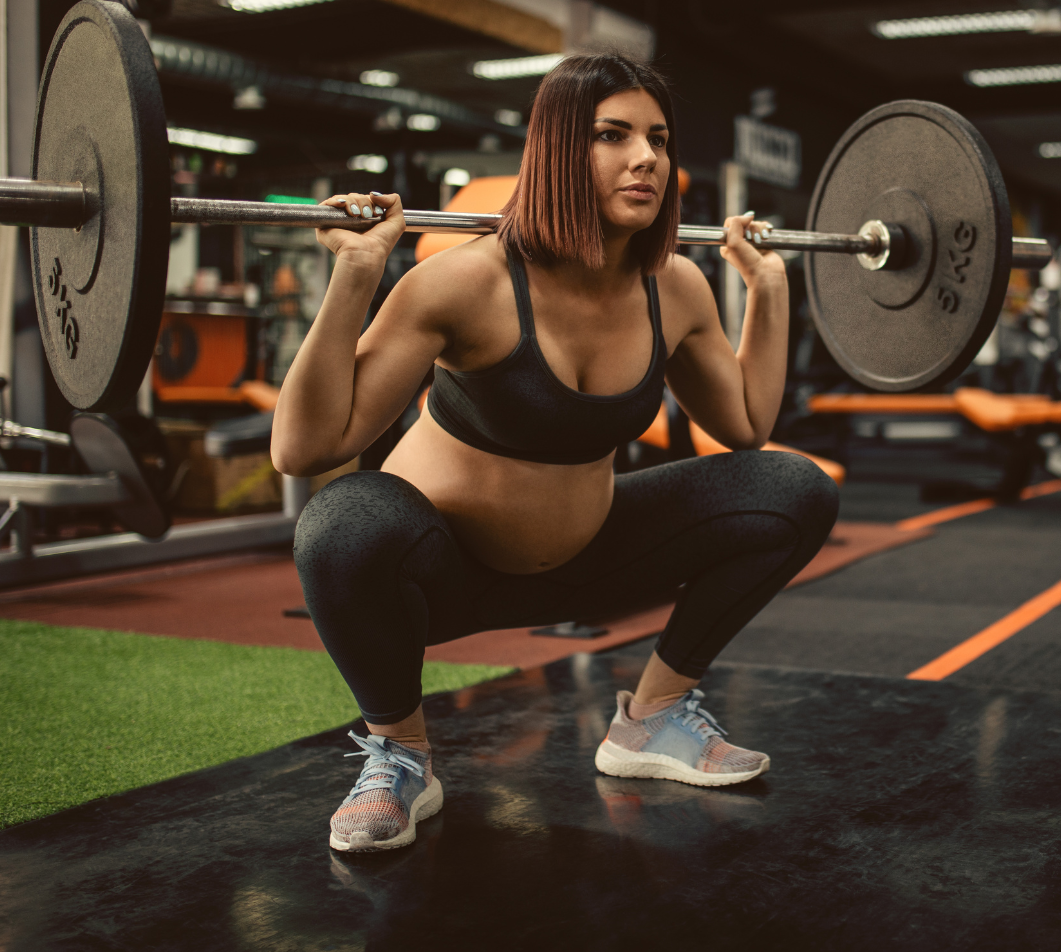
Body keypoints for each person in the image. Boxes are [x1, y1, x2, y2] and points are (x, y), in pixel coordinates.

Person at [272, 53, 839, 853]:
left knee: (790, 488)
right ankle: (401, 755)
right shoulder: (464, 282)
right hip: (443, 577)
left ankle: (653, 720)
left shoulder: (673, 285)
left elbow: (746, 424)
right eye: (613, 135)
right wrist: (356, 273)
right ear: (557, 152)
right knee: (343, 521)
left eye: (658, 138)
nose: (647, 157)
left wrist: (769, 288)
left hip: (589, 563)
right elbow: (303, 448)